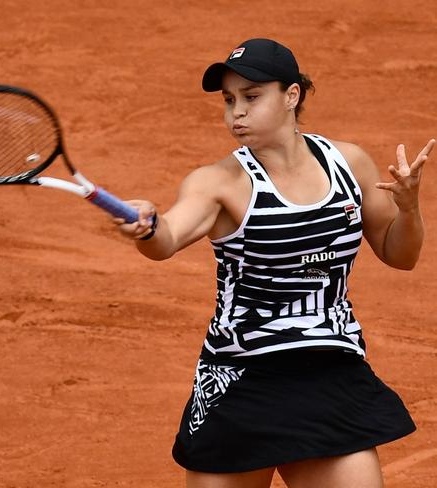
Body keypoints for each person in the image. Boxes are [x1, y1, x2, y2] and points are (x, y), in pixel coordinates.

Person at [113, 38, 434, 488]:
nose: (235, 113)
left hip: (330, 374)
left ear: (292, 95)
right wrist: (147, 227)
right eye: (228, 101)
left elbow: (401, 255)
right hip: (242, 381)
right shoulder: (218, 183)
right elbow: (167, 238)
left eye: (251, 96)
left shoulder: (348, 164)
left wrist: (410, 206)